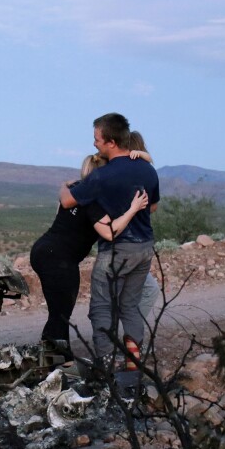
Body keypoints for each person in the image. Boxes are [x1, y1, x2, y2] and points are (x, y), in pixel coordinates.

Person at [59, 113, 160, 371]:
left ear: (111, 142)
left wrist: (70, 186)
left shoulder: (102, 176)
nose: (95, 144)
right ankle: (133, 363)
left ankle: (104, 367)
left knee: (102, 308)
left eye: (97, 139)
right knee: (130, 306)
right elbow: (154, 206)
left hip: (116, 251)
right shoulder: (147, 169)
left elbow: (68, 201)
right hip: (144, 247)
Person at [31, 153, 148, 364]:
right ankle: (57, 365)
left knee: (58, 311)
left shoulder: (74, 190)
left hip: (44, 250)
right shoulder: (94, 200)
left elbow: (63, 195)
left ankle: (51, 361)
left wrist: (64, 185)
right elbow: (110, 232)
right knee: (60, 314)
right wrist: (133, 209)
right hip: (59, 258)